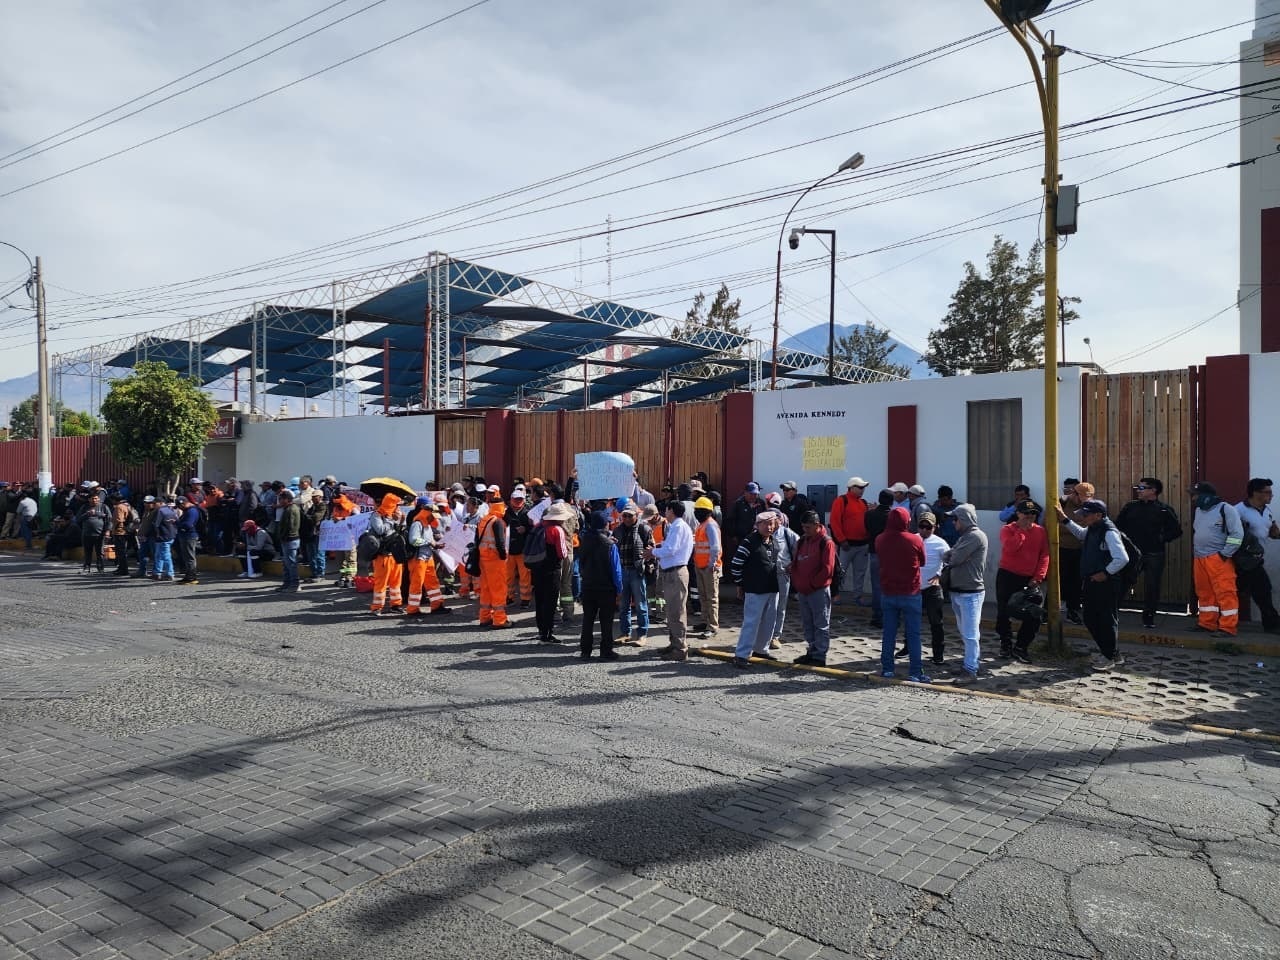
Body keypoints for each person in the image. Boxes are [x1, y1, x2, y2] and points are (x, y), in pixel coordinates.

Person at [1056, 498, 1130, 668]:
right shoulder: (1094, 528)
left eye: (1086, 515)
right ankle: (1112, 653)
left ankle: (1109, 657)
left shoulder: (1108, 532)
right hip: (1093, 581)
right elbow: (1081, 534)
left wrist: (1105, 573)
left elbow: (1122, 558)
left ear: (1098, 515)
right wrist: (1065, 520)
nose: (1083, 517)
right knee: (1091, 618)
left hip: (1106, 583)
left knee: (1105, 620)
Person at [1115, 477, 1183, 629]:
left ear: (1153, 490)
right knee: (1123, 582)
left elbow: (1177, 531)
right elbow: (1117, 526)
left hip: (1154, 554)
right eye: (1138, 488)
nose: (1138, 491)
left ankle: (1149, 617)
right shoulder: (1130, 507)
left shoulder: (1164, 509)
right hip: (1131, 554)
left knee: (1152, 586)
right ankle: (1112, 613)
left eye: (1142, 488)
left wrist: (1161, 538)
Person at [876, 506, 930, 683]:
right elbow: (923, 561)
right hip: (910, 592)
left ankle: (887, 670)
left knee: (889, 634)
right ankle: (915, 672)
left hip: (888, 592)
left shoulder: (880, 539)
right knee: (913, 634)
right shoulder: (914, 539)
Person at [995, 499, 1051, 662]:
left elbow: (1044, 555)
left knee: (1034, 614)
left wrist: (1038, 577)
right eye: (1026, 513)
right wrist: (1022, 531)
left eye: (1033, 513)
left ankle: (1021, 647)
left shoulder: (1040, 531)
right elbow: (1011, 548)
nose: (1030, 516)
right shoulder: (1007, 529)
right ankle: (1005, 644)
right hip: (1008, 576)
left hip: (1029, 579)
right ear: (1018, 514)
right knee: (1004, 613)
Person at [729, 513, 781, 669]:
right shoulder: (749, 542)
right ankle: (741, 655)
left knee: (769, 622)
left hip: (772, 589)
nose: (769, 527)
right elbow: (736, 564)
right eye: (765, 524)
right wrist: (740, 584)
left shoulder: (774, 541)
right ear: (757, 525)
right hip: (754, 589)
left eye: (771, 524)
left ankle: (761, 650)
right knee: (751, 623)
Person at [646, 500, 694, 662]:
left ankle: (680, 649)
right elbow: (669, 545)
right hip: (672, 572)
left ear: (671, 510)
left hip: (676, 572)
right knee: (672, 611)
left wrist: (653, 552)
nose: (664, 512)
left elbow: (671, 549)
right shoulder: (676, 526)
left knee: (676, 612)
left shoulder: (678, 526)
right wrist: (657, 547)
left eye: (666, 509)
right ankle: (674, 644)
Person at [791, 511, 837, 667]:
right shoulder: (802, 541)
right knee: (807, 623)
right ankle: (811, 650)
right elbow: (796, 563)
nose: (805, 530)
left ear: (817, 525)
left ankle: (819, 655)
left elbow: (827, 569)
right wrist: (798, 582)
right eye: (803, 527)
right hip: (803, 590)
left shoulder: (826, 542)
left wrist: (812, 585)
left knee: (820, 623)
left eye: (808, 527)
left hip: (818, 590)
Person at [1235, 478, 1280, 634]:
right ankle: (1272, 624)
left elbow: (1272, 531)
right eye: (1268, 492)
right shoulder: (1238, 510)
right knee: (1263, 589)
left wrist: (1275, 532)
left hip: (1256, 559)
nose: (1271, 495)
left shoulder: (1267, 511)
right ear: (1255, 493)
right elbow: (1230, 534)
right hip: (1243, 560)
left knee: (1246, 590)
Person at [903, 512, 948, 666]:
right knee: (909, 619)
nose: (924, 530)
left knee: (936, 622)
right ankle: (907, 648)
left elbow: (949, 563)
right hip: (914, 587)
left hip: (932, 588)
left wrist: (939, 576)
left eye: (928, 527)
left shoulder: (941, 543)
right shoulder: (911, 539)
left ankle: (938, 654)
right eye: (921, 526)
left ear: (934, 527)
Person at [578, 511, 623, 660]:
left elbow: (581, 564)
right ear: (605, 524)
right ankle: (606, 651)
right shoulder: (610, 545)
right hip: (606, 588)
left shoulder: (584, 540)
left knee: (587, 619)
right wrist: (619, 589)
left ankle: (585, 651)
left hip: (588, 586)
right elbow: (616, 570)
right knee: (606, 621)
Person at [534, 503, 574, 643]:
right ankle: (547, 633)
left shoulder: (538, 527)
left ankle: (541, 631)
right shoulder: (557, 530)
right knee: (550, 601)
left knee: (540, 600)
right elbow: (562, 553)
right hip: (552, 569)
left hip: (537, 568)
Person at [405, 497, 449, 616]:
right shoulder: (417, 524)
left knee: (433, 582)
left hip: (427, 557)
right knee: (417, 584)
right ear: (426, 513)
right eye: (432, 516)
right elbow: (414, 540)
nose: (434, 519)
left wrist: (435, 543)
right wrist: (430, 542)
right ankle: (412, 609)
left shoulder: (427, 525)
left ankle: (437, 606)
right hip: (418, 559)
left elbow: (426, 540)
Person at [829, 478, 870, 603]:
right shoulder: (841, 501)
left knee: (860, 572)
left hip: (862, 544)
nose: (862, 490)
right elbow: (834, 522)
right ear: (851, 488)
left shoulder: (863, 503)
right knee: (840, 572)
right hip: (846, 545)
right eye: (860, 487)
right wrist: (842, 540)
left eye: (863, 488)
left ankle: (858, 596)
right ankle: (835, 595)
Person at [615, 503, 652, 645]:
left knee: (641, 605)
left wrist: (646, 566)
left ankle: (642, 634)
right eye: (624, 515)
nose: (627, 518)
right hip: (622, 572)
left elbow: (651, 549)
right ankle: (625, 633)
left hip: (637, 572)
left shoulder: (644, 529)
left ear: (636, 515)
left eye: (630, 515)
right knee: (623, 605)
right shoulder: (617, 530)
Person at [1057, 479, 1092, 624]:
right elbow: (1050, 525)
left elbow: (1088, 529)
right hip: (1061, 549)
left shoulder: (1090, 507)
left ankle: (1073, 611)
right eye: (1080, 496)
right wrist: (1075, 526)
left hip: (1080, 550)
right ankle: (1048, 612)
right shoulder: (1061, 503)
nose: (1082, 500)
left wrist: (1067, 524)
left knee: (1076, 583)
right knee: (1058, 580)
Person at [368, 493, 406, 615]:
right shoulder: (376, 515)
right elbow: (380, 530)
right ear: (390, 505)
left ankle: (396, 605)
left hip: (395, 554)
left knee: (396, 582)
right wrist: (391, 520)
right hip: (382, 555)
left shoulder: (395, 515)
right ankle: (377, 607)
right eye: (396, 505)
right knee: (381, 582)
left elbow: (400, 532)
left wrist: (401, 521)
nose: (398, 508)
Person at [476, 492, 509, 629]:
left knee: (486, 589)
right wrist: (504, 556)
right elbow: (500, 543)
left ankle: (485, 617)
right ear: (501, 506)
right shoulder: (498, 522)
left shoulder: (484, 519)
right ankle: (499, 620)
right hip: (495, 560)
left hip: (483, 559)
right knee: (498, 589)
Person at [691, 496, 723, 640]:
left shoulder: (710, 525)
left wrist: (711, 564)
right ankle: (705, 621)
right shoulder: (702, 525)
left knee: (711, 598)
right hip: (700, 565)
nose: (696, 513)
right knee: (703, 596)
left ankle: (712, 626)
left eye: (699, 510)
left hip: (709, 567)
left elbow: (715, 547)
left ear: (707, 512)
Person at [768, 509, 799, 648]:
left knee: (780, 607)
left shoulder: (787, 533)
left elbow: (800, 548)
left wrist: (793, 564)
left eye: (774, 518)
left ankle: (775, 636)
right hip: (765, 575)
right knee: (766, 606)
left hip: (782, 574)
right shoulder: (761, 533)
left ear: (779, 520)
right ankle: (763, 635)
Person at [864, 489, 894, 628]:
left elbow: (867, 529)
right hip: (890, 554)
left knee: (877, 586)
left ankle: (877, 616)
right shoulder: (893, 516)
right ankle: (890, 616)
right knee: (890, 585)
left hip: (874, 551)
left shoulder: (869, 514)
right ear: (892, 501)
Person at [506, 485, 533, 608]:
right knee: (508, 576)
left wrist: (525, 529)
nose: (518, 501)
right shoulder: (505, 513)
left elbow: (534, 529)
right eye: (516, 499)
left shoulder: (528, 513)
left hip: (523, 549)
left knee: (525, 576)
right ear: (511, 499)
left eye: (520, 499)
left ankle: (525, 599)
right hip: (509, 550)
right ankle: (509, 597)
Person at [77, 492, 109, 574]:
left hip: (100, 534)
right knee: (87, 552)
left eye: (96, 498)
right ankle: (87, 567)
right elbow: (78, 519)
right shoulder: (84, 507)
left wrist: (107, 530)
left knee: (100, 552)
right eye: (92, 498)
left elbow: (109, 519)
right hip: (87, 534)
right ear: (89, 499)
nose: (94, 500)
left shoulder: (103, 507)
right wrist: (87, 514)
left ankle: (100, 568)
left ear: (99, 499)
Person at [152, 497, 178, 582]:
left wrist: (157, 533)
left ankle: (169, 573)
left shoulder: (160, 511)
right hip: (171, 535)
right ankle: (157, 573)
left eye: (154, 503)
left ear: (160, 503)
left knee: (165, 555)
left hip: (162, 536)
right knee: (160, 554)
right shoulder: (172, 510)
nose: (153, 505)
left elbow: (156, 524)